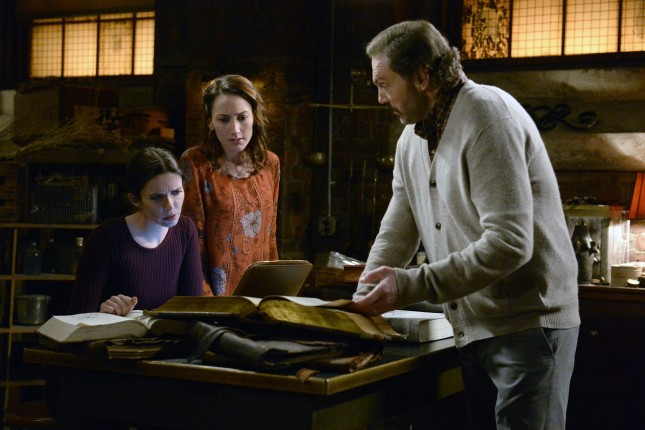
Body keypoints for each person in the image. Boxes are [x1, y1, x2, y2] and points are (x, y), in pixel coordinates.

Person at [350, 20, 580, 430]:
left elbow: (510, 243)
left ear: (422, 77)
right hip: (472, 328)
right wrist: (361, 302)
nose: (381, 97)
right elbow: (397, 228)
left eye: (384, 84)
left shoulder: (488, 116)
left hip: (528, 325)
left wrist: (410, 284)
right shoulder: (411, 139)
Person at [67, 146, 203, 315]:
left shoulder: (186, 230)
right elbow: (77, 316)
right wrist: (103, 314)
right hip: (115, 331)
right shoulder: (106, 237)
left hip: (168, 332)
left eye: (176, 192)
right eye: (156, 197)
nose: (170, 206)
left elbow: (193, 310)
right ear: (135, 200)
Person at [180, 74, 280, 296]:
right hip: (214, 297)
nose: (235, 130)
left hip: (259, 295)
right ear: (210, 122)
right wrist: (207, 300)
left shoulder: (270, 163)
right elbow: (192, 242)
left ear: (255, 116)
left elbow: (270, 237)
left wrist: (275, 295)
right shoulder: (195, 163)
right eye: (224, 119)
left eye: (242, 117)